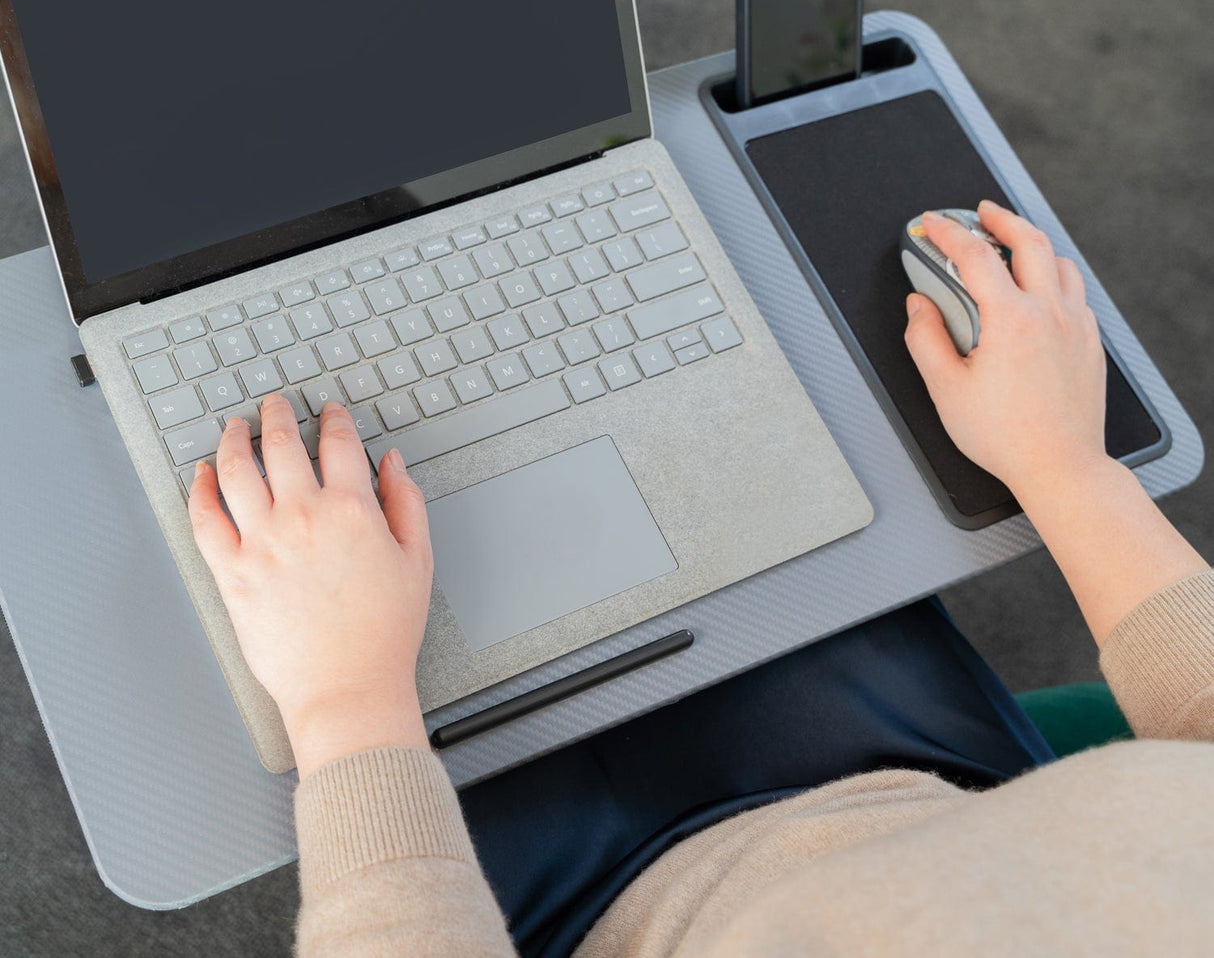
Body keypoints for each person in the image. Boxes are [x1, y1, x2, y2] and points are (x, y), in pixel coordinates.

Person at [188, 199, 1213, 956]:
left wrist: (345, 699)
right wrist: (1066, 466)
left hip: (558, 918)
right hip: (927, 788)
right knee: (778, 475)